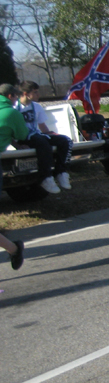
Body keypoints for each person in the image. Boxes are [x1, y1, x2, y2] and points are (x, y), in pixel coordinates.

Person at [14, 80, 73, 193]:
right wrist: (17, 145)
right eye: (35, 92)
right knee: (42, 143)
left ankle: (61, 172)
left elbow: (42, 127)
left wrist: (53, 136)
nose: (38, 95)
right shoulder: (15, 107)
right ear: (26, 93)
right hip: (23, 137)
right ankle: (45, 177)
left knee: (65, 141)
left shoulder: (36, 107)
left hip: (37, 135)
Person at [0, 83, 27, 269]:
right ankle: (13, 249)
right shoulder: (12, 113)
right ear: (11, 96)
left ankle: (13, 249)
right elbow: (22, 134)